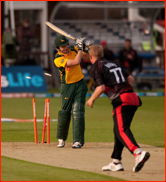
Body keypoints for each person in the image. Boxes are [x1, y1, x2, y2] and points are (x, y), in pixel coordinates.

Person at [86, 45, 150, 172]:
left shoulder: (95, 66)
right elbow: (130, 79)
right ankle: (116, 162)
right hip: (133, 97)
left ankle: (138, 153)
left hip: (122, 100)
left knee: (121, 131)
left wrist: (91, 99)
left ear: (90, 56)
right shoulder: (112, 63)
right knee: (118, 130)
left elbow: (101, 88)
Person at [54, 35, 90, 149]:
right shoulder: (58, 59)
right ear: (57, 48)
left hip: (80, 84)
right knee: (65, 112)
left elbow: (89, 58)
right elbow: (75, 62)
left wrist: (86, 48)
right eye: (62, 46)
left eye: (65, 45)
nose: (65, 47)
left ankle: (78, 141)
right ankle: (61, 138)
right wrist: (80, 48)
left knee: (78, 110)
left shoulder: (74, 50)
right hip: (67, 86)